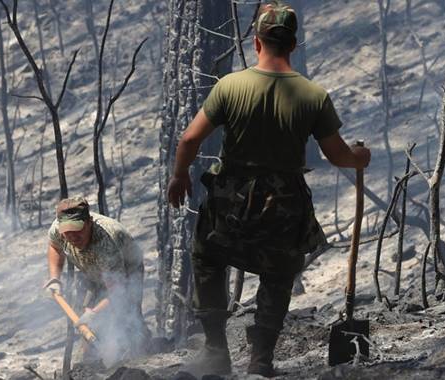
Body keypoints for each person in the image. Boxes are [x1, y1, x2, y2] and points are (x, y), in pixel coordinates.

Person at [166, 1, 371, 376]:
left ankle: (216, 350)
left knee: (208, 259)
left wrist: (180, 176)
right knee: (277, 277)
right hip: (284, 203)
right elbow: (339, 155)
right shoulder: (313, 96)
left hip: (229, 200)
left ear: (257, 42)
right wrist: (360, 157)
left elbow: (188, 140)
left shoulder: (230, 86)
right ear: (294, 45)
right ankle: (261, 360)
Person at [43, 196, 150, 363]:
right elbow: (54, 246)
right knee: (87, 322)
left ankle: (140, 359)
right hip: (91, 271)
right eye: (67, 232)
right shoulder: (58, 229)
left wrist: (94, 312)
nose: (72, 237)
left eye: (77, 230)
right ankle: (90, 364)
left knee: (127, 316)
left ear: (89, 222)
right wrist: (55, 279)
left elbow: (118, 290)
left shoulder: (106, 244)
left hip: (126, 273)